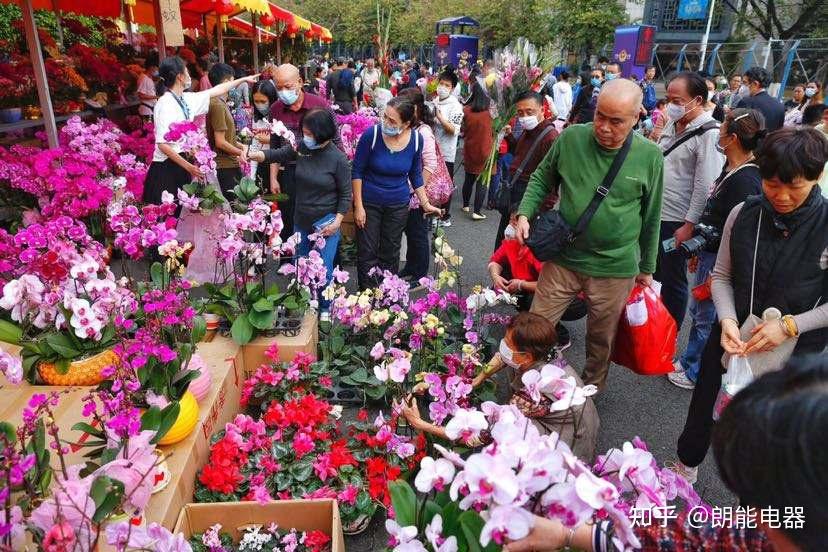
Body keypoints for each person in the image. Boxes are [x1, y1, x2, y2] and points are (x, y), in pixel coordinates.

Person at [504, 356, 828, 552]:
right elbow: (701, 540)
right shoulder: (773, 528)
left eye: (756, 500)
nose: (754, 516)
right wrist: (568, 533)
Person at [670, 126, 828, 485]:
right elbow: (723, 276)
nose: (782, 196)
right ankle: (684, 469)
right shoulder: (743, 213)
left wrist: (790, 326)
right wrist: (726, 320)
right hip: (735, 334)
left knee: (774, 428)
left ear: (817, 176)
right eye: (772, 186)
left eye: (795, 187)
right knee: (705, 405)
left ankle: (757, 502)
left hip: (796, 349)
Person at [515, 79, 664, 390]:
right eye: (600, 116)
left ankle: (589, 391)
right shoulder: (571, 138)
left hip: (614, 267)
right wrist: (525, 212)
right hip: (564, 258)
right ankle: (523, 387)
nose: (605, 127)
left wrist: (647, 269)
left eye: (616, 121)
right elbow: (543, 177)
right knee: (536, 327)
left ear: (637, 117)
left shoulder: (650, 156)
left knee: (601, 337)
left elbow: (651, 217)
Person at [402, 312, 599, 461]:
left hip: (570, 447)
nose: (502, 346)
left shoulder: (529, 398)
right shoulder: (548, 354)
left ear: (527, 356)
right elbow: (502, 357)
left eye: (508, 344)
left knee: (507, 434)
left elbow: (481, 435)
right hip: (579, 418)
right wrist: (478, 379)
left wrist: (421, 424)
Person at [668, 108, 765, 390]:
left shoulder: (747, 179)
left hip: (722, 259)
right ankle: (690, 361)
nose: (717, 134)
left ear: (732, 138)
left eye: (722, 129)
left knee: (706, 316)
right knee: (699, 311)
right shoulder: (731, 168)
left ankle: (694, 369)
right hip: (709, 251)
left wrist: (720, 270)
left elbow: (739, 233)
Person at [248, 109, 351, 310]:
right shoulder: (302, 147)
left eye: (310, 134)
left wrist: (337, 222)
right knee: (300, 266)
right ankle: (304, 306)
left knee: (324, 268)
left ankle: (324, 308)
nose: (306, 137)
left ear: (322, 134)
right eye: (304, 133)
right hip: (301, 218)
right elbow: (277, 154)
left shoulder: (338, 159)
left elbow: (346, 194)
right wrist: (253, 154)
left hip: (326, 221)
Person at [654, 71, 723, 330]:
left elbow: (705, 186)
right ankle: (655, 324)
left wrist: (689, 224)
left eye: (677, 99)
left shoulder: (709, 134)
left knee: (673, 277)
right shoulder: (675, 123)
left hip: (678, 221)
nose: (671, 104)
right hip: (658, 215)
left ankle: (669, 332)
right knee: (656, 272)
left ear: (697, 100)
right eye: (668, 98)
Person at [351, 97, 442, 289]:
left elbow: (416, 174)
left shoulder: (416, 140)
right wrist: (358, 206)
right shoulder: (372, 135)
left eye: (392, 121)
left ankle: (387, 295)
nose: (386, 123)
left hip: (398, 204)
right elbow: (357, 171)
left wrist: (425, 202)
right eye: (385, 117)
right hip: (370, 202)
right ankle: (366, 296)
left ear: (407, 123)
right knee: (367, 251)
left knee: (390, 251)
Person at [143, 56, 256, 206]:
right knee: (166, 217)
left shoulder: (186, 99)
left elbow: (217, 89)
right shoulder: (165, 103)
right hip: (167, 168)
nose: (190, 75)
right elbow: (163, 145)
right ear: (180, 77)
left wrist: (242, 79)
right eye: (187, 72)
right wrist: (189, 167)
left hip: (182, 165)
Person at [269, 63, 334, 241]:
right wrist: (273, 177)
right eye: (278, 87)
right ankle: (288, 263)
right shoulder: (275, 109)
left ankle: (324, 264)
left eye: (287, 87)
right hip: (290, 171)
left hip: (318, 170)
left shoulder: (319, 105)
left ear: (300, 82)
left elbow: (335, 142)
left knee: (320, 221)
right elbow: (274, 144)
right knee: (288, 219)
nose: (283, 92)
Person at [495, 91, 558, 250]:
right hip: (514, 192)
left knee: (516, 250)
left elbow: (552, 184)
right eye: (520, 113)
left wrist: (532, 213)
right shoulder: (528, 130)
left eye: (529, 112)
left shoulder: (550, 137)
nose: (524, 117)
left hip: (528, 200)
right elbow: (522, 154)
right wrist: (510, 137)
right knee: (503, 245)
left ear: (542, 109)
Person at [397, 87, 439, 286]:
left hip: (417, 193)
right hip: (404, 192)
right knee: (409, 231)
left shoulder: (424, 132)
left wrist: (416, 192)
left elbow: (430, 165)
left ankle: (421, 274)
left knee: (418, 232)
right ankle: (411, 267)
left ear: (416, 108)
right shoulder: (407, 128)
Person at [204, 63, 246, 199]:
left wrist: (241, 146)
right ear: (227, 82)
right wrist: (242, 153)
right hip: (225, 166)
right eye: (233, 80)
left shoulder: (221, 103)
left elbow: (227, 139)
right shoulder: (217, 105)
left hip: (229, 164)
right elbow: (220, 142)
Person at [432, 68, 464, 226]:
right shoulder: (434, 101)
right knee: (432, 183)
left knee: (445, 185)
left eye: (447, 85)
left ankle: (445, 216)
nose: (442, 87)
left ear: (452, 88)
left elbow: (454, 130)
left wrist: (439, 118)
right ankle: (433, 213)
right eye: (441, 83)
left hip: (446, 152)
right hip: (432, 150)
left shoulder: (456, 106)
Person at [461, 80, 496, 220]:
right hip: (486, 150)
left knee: (468, 178)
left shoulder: (466, 110)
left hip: (470, 148)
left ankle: (465, 205)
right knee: (482, 181)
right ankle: (477, 211)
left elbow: (462, 130)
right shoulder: (492, 113)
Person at [734, 66, 785, 131]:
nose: (741, 86)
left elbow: (735, 128)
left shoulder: (746, 102)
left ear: (755, 84)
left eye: (744, 82)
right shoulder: (779, 105)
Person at [249, 80, 278, 190]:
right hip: (263, 163)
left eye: (263, 101)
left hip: (279, 165)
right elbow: (255, 146)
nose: (260, 105)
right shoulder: (257, 119)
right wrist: (252, 176)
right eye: (256, 101)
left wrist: (271, 140)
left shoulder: (279, 115)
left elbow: (290, 141)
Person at [137, 53, 159, 121]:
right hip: (147, 110)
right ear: (151, 67)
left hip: (150, 109)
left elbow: (149, 89)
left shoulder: (148, 77)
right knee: (148, 130)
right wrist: (157, 97)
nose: (156, 70)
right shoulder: (144, 78)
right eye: (156, 67)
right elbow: (141, 95)